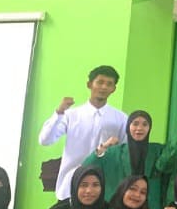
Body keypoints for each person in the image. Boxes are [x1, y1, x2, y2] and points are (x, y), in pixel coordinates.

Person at [39, 65, 128, 200]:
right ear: (89, 84)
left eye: (109, 84)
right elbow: (45, 140)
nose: (104, 87)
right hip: (70, 188)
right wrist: (59, 112)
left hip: (104, 191)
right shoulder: (71, 115)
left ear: (114, 89)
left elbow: (124, 155)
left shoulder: (121, 119)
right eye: (100, 82)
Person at [84, 110, 165, 209]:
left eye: (145, 124)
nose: (139, 128)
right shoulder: (115, 152)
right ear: (128, 127)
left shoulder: (158, 151)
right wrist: (104, 146)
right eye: (135, 124)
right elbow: (86, 166)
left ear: (149, 128)